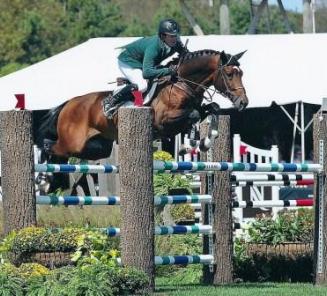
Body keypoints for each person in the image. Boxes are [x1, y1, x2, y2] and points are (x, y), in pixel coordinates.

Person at [106, 18, 188, 117]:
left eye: (176, 35)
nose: (174, 39)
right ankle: (113, 101)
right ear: (162, 36)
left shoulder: (176, 43)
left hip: (143, 62)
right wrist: (167, 70)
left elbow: (188, 56)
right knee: (142, 85)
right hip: (128, 61)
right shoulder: (153, 47)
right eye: (171, 36)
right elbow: (147, 73)